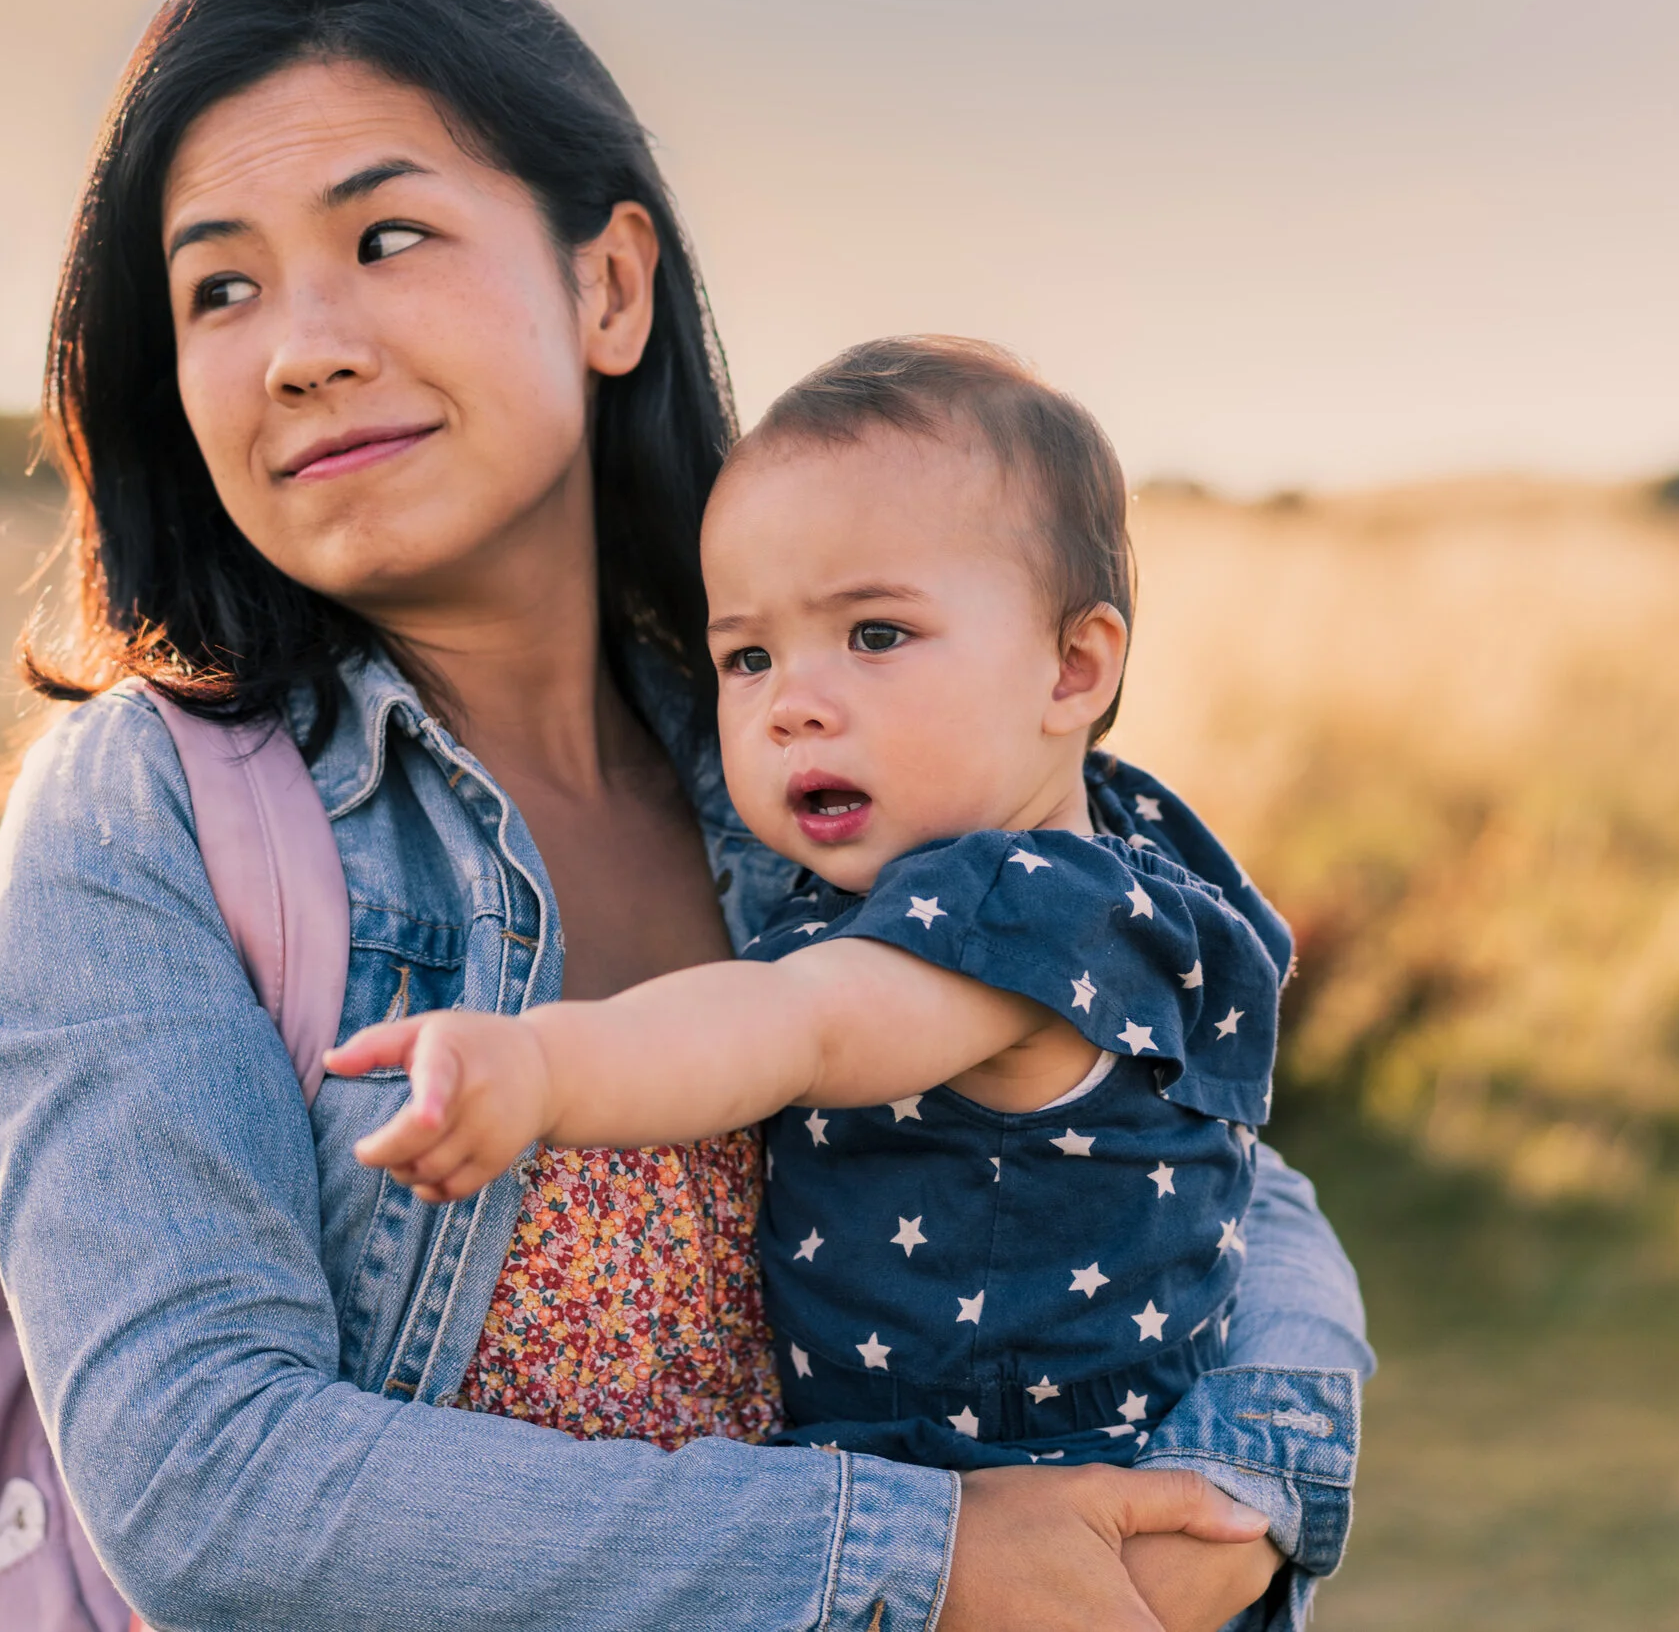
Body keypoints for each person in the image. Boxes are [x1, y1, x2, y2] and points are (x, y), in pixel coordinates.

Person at [0, 0, 1368, 1632]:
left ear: (609, 284)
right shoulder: (149, 815)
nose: (300, 346)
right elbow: (211, 1483)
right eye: (221, 288)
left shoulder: (806, 740)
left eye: (386, 238)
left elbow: (1185, 1136)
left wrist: (1249, 1485)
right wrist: (927, 1564)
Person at [329, 335, 1292, 1476]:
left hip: (1012, 1513)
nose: (792, 705)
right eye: (746, 657)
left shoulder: (1024, 907)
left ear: (1072, 670)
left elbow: (799, 1024)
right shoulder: (1113, 838)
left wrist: (543, 1069)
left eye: (874, 635)